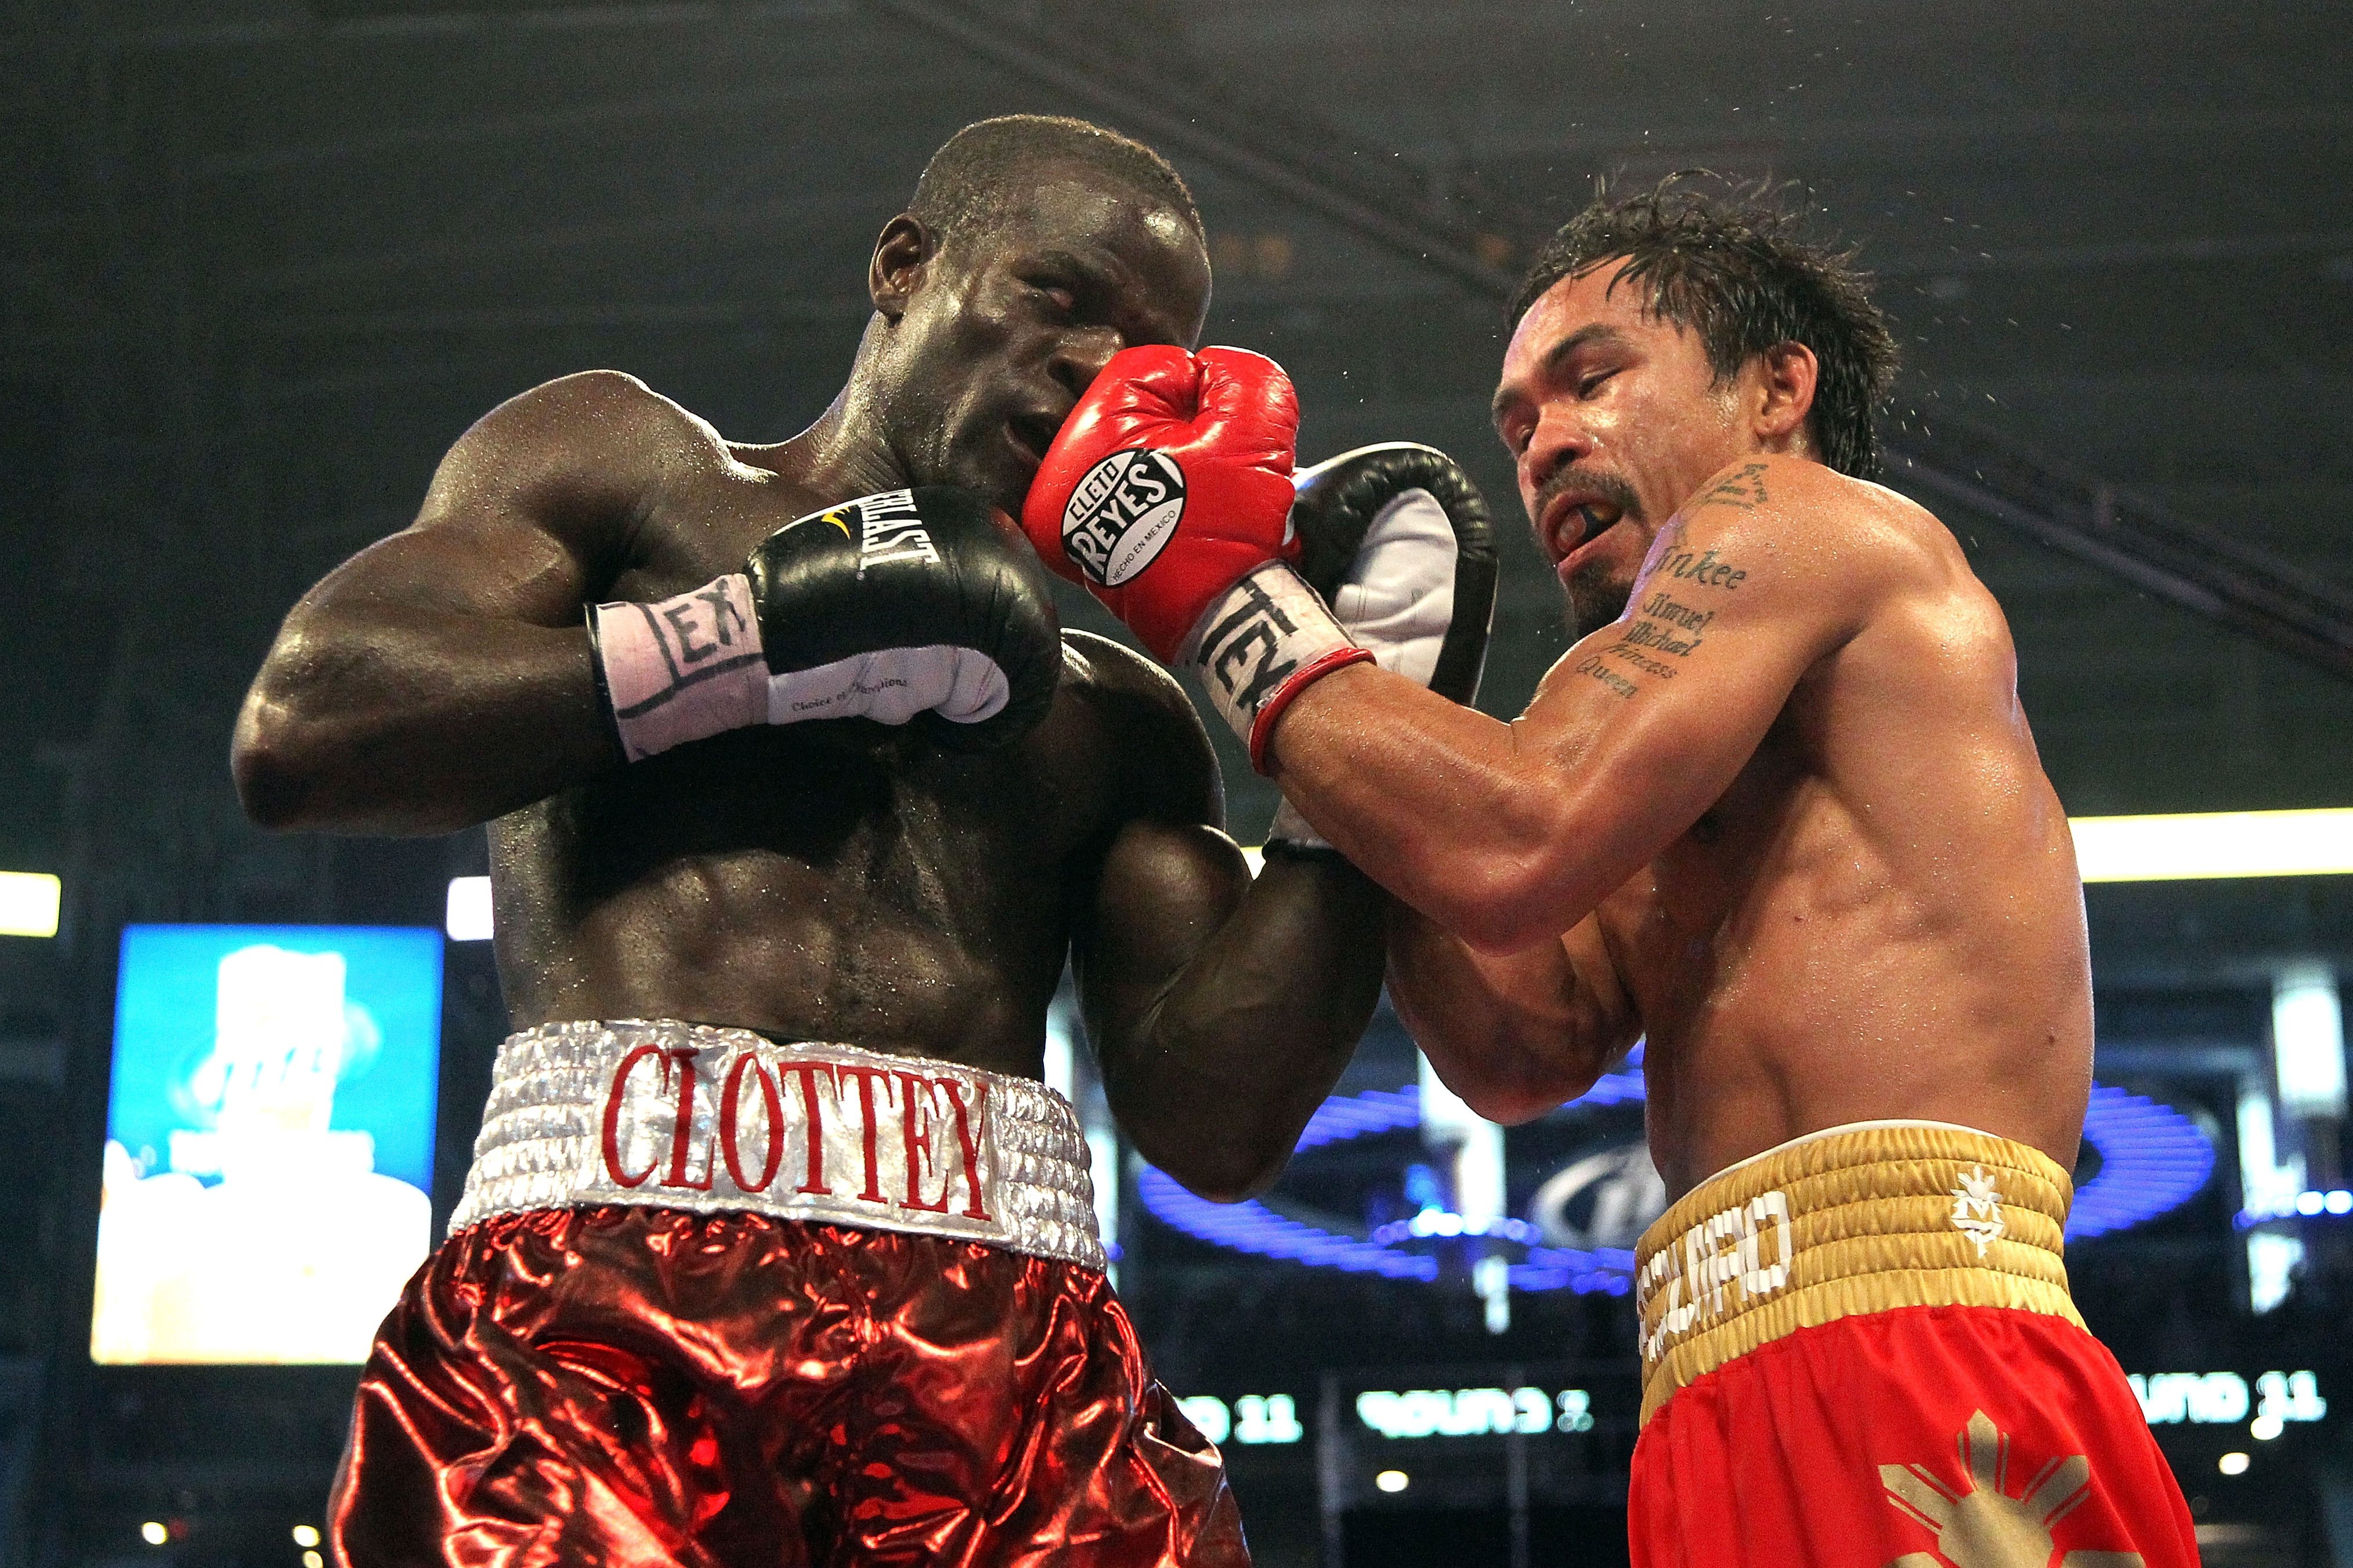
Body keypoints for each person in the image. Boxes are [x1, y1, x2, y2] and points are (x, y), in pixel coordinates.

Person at [231, 115, 1411, 1568]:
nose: (1093, 363)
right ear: (905, 266)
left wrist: (1354, 759)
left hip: (1007, 1336)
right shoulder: (630, 471)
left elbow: (1218, 1127)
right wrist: (745, 646)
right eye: (1058, 296)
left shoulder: (1119, 717)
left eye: (1146, 353)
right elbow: (305, 729)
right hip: (603, 1296)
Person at [1027, 182, 2199, 1566]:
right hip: (1705, 1379)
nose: (1546, 445)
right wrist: (1377, 700)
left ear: (1777, 388)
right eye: (1519, 425)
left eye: (1593, 382)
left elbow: (1516, 838)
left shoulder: (1801, 518)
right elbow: (1525, 1041)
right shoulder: (1635, 692)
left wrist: (1231, 602)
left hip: (1925, 1342)